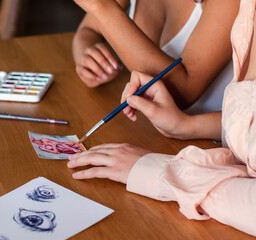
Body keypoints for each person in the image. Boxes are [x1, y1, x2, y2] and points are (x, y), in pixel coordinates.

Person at [68, 0, 256, 236]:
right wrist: (187, 126)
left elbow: (183, 90)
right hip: (181, 144)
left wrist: (102, 8)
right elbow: (247, 121)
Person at [72, 0, 238, 114]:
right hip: (144, 130)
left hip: (203, 148)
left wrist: (101, 7)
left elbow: (182, 92)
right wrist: (87, 54)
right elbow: (88, 30)